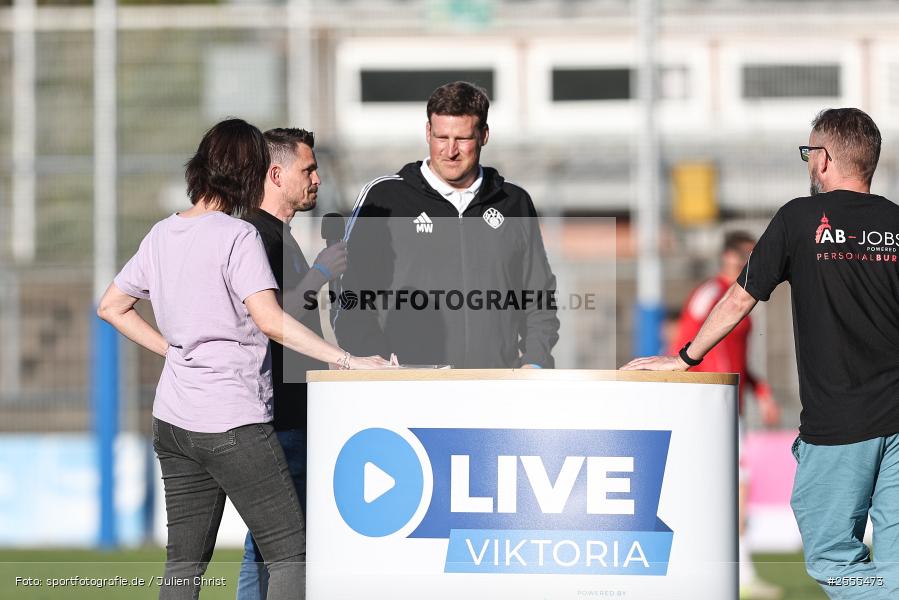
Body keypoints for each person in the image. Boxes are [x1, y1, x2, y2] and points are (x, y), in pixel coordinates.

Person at [96, 118, 390, 600]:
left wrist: (174, 351)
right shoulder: (239, 236)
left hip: (172, 420)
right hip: (232, 421)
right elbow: (271, 320)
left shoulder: (162, 233)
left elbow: (112, 307)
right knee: (290, 552)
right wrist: (346, 360)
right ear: (250, 171)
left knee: (184, 566)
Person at [624, 108, 899, 600]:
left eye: (809, 152)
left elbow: (740, 296)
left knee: (834, 560)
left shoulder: (799, 218)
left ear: (824, 160)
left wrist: (685, 358)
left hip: (841, 426)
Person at [334, 81, 559, 368]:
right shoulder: (384, 197)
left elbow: (538, 296)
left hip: (494, 389)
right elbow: (349, 293)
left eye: (462, 139)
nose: (450, 150)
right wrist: (374, 361)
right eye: (441, 137)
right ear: (428, 132)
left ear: (484, 135)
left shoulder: (514, 202)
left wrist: (535, 361)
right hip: (405, 387)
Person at [236, 128, 347, 600]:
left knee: (265, 543)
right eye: (308, 169)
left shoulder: (277, 234)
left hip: (291, 408)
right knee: (283, 543)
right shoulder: (257, 235)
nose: (316, 178)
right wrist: (322, 271)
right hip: (278, 413)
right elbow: (273, 315)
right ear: (276, 173)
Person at [670, 231, 782, 600]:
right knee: (730, 488)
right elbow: (684, 348)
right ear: (731, 258)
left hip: (729, 406)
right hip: (708, 406)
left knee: (731, 490)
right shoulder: (709, 295)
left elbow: (737, 361)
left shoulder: (743, 301)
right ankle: (735, 574)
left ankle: (729, 573)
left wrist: (760, 391)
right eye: (750, 256)